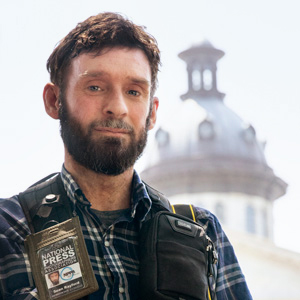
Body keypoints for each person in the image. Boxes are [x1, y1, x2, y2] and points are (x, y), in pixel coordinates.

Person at [0, 12, 252, 300]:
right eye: (95, 87)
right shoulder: (9, 229)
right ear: (54, 101)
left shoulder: (202, 233)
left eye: (134, 91)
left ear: (152, 112)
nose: (117, 107)